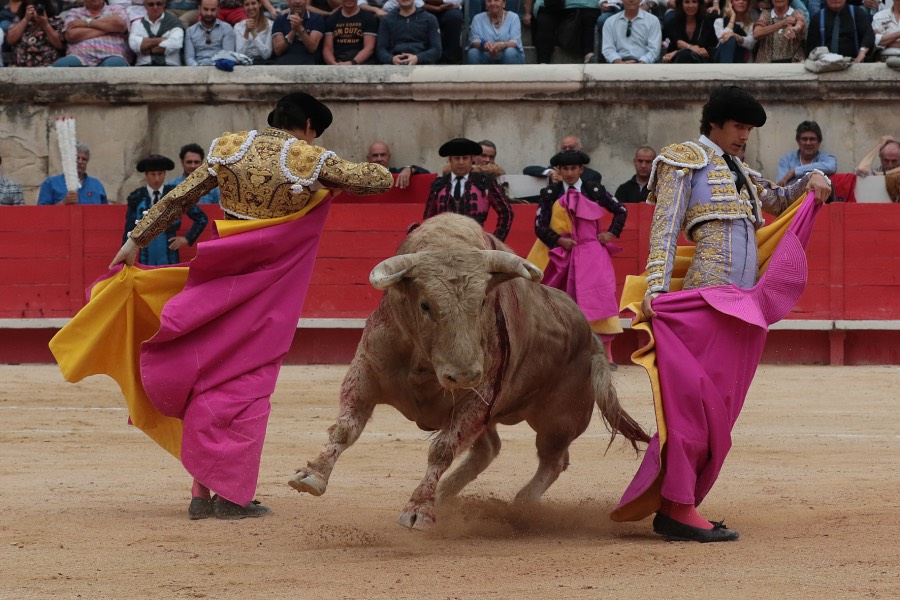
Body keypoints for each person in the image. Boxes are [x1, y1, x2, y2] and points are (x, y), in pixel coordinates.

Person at [50, 92, 392, 521]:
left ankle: (200, 494)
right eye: (314, 133)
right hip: (266, 294)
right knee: (247, 386)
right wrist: (330, 179)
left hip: (218, 285)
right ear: (308, 126)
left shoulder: (230, 147)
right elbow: (377, 179)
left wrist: (136, 239)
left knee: (205, 378)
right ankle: (231, 497)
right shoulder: (308, 159)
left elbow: (177, 199)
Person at [612, 85, 832, 543]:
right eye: (738, 126)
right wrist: (655, 288)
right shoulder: (683, 159)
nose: (744, 136)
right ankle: (677, 507)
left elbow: (777, 199)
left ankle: (679, 502)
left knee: (718, 410)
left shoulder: (742, 171)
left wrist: (811, 178)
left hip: (740, 304)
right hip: (705, 299)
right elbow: (664, 227)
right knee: (691, 407)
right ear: (715, 123)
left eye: (749, 129)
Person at [528, 149, 627, 365]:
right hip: (561, 256)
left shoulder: (593, 190)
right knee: (560, 301)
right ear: (559, 170)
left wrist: (610, 233)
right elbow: (539, 226)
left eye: (573, 168)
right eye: (565, 169)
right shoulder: (550, 193)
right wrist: (558, 240)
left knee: (600, 299)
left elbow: (621, 210)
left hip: (591, 253)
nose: (570, 173)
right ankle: (563, 355)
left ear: (581, 169)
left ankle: (606, 355)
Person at [123, 154, 208, 266]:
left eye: (160, 174)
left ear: (165, 174)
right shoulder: (136, 197)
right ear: (146, 175)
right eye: (153, 174)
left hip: (169, 254)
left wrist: (187, 238)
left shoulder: (176, 194)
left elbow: (201, 218)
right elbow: (129, 228)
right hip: (145, 255)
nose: (157, 179)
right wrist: (125, 256)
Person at [423, 136, 513, 241]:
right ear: (450, 160)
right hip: (444, 243)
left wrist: (495, 242)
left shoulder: (484, 182)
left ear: (472, 159)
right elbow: (428, 219)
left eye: (465, 158)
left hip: (475, 243)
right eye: (457, 158)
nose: (461, 162)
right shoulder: (439, 184)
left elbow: (506, 212)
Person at [52, 0, 132, 67]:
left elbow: (120, 25)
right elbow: (71, 35)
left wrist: (86, 22)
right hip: (80, 57)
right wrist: (109, 28)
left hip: (111, 55)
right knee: (61, 65)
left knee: (115, 64)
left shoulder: (117, 8)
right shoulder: (74, 12)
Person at [527, 0, 602, 64]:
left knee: (588, 14)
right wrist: (527, 13)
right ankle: (543, 61)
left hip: (582, 7)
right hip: (550, 6)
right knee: (545, 21)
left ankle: (589, 55)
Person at [38, 142, 109, 205]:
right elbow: (41, 213)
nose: (80, 162)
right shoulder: (51, 184)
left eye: (84, 159)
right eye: (77, 158)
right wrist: (63, 203)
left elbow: (106, 213)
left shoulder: (97, 185)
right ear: (69, 160)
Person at [806, 0, 875, 63]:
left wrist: (862, 52)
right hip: (825, 65)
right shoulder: (817, 19)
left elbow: (868, 34)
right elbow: (812, 48)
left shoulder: (857, 13)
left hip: (854, 63)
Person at [376, 0, 441, 65]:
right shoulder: (387, 20)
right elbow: (381, 50)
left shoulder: (430, 19)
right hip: (393, 65)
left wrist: (418, 58)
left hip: (423, 65)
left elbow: (436, 49)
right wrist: (391, 59)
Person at [523, 135, 603, 186]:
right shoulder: (555, 170)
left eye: (571, 148)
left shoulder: (593, 175)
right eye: (564, 148)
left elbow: (589, 198)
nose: (567, 150)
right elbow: (527, 170)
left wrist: (565, 182)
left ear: (580, 150)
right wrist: (550, 172)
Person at [776, 121, 838, 186]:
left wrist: (795, 172)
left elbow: (831, 167)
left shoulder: (827, 159)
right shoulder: (786, 160)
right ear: (798, 141)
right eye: (804, 139)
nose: (808, 143)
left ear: (819, 142)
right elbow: (781, 186)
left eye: (812, 139)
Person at [5, 0, 65, 67]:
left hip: (47, 66)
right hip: (20, 66)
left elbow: (59, 45)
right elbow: (10, 40)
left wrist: (45, 25)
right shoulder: (19, 20)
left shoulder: (55, 20)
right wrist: (26, 19)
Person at [600, 0, 662, 64]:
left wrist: (642, 63)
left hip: (644, 65)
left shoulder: (653, 21)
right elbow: (608, 48)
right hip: (617, 64)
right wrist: (619, 62)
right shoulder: (610, 22)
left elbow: (654, 50)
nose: (631, 0)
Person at [129, 0, 185, 66]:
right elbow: (134, 45)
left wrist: (149, 50)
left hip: (170, 66)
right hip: (143, 66)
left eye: (159, 4)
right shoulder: (137, 24)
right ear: (145, 6)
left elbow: (175, 44)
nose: (155, 7)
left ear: (164, 4)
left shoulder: (175, 22)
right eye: (151, 4)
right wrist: (161, 39)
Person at [322, 0, 377, 65]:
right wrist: (333, 63)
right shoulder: (332, 19)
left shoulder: (368, 18)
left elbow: (369, 48)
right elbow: (327, 48)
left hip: (361, 62)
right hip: (338, 61)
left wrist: (352, 63)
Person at [271, 0, 323, 64]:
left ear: (306, 1)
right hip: (284, 62)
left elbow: (312, 48)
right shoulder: (280, 19)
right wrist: (293, 32)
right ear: (288, 1)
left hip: (309, 62)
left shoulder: (316, 18)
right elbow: (278, 51)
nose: (298, 1)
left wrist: (300, 28)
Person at [184, 0, 236, 66]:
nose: (209, 13)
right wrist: (198, 68)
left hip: (220, 68)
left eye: (213, 10)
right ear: (199, 9)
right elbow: (189, 58)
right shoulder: (190, 31)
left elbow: (227, 56)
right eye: (206, 9)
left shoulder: (226, 28)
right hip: (197, 68)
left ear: (218, 10)